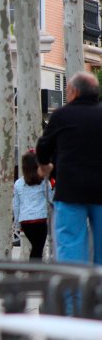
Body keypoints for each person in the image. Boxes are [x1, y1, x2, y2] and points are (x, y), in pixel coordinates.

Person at [37, 71, 102, 266]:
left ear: (73, 91)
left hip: (70, 191)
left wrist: (45, 166)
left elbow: (43, 147)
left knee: (70, 248)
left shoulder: (62, 115)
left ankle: (73, 295)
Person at [13, 150, 52, 260]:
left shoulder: (18, 183)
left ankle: (34, 271)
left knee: (36, 248)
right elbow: (51, 199)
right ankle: (34, 272)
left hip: (25, 221)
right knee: (38, 249)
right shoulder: (43, 181)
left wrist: (17, 223)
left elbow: (16, 205)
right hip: (40, 219)